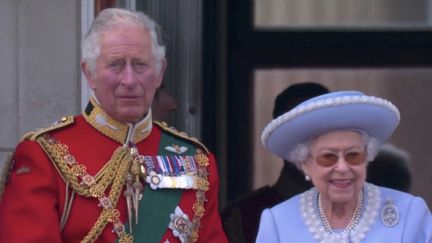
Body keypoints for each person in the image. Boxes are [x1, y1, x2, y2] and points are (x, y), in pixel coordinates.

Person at [0, 8, 228, 243]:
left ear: (160, 73)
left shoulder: (197, 161)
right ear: (89, 73)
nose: (129, 80)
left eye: (140, 65)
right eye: (116, 65)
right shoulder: (45, 156)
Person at [256, 90, 432, 242]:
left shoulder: (409, 214)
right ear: (305, 164)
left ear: (367, 157)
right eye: (328, 157)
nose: (342, 167)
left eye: (353, 155)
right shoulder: (278, 222)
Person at [221, 82, 329, 243]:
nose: (311, 139)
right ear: (279, 138)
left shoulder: (372, 211)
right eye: (298, 129)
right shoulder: (243, 218)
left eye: (320, 126)